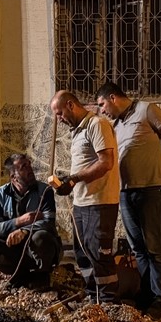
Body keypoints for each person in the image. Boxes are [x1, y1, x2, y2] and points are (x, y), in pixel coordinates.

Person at [95, 82, 161, 316]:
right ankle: (146, 295)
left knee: (154, 246)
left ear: (112, 98)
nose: (102, 110)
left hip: (152, 189)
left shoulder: (147, 109)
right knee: (138, 248)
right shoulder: (117, 124)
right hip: (126, 192)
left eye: (102, 104)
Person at [49, 90, 121, 304]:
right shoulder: (78, 130)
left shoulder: (97, 125)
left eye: (60, 113)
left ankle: (108, 302)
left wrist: (73, 180)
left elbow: (105, 162)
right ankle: (93, 296)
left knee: (99, 253)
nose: (59, 119)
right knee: (83, 253)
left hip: (99, 202)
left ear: (71, 105)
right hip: (82, 202)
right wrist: (69, 181)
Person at [0, 153, 61, 285]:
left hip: (35, 249)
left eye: (29, 165)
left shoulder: (44, 191)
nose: (29, 169)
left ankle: (41, 273)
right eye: (23, 167)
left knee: (41, 237)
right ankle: (19, 273)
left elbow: (48, 222)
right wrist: (19, 221)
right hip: (13, 249)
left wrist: (25, 231)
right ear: (13, 176)